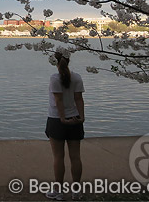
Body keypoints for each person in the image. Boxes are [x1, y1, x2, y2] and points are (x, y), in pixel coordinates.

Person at [45, 50, 85, 201]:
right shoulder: (77, 77)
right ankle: (76, 191)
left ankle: (58, 191)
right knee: (75, 157)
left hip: (56, 120)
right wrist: (82, 117)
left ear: (55, 62)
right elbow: (79, 99)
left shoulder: (55, 78)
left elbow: (58, 100)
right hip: (75, 119)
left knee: (58, 157)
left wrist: (62, 118)